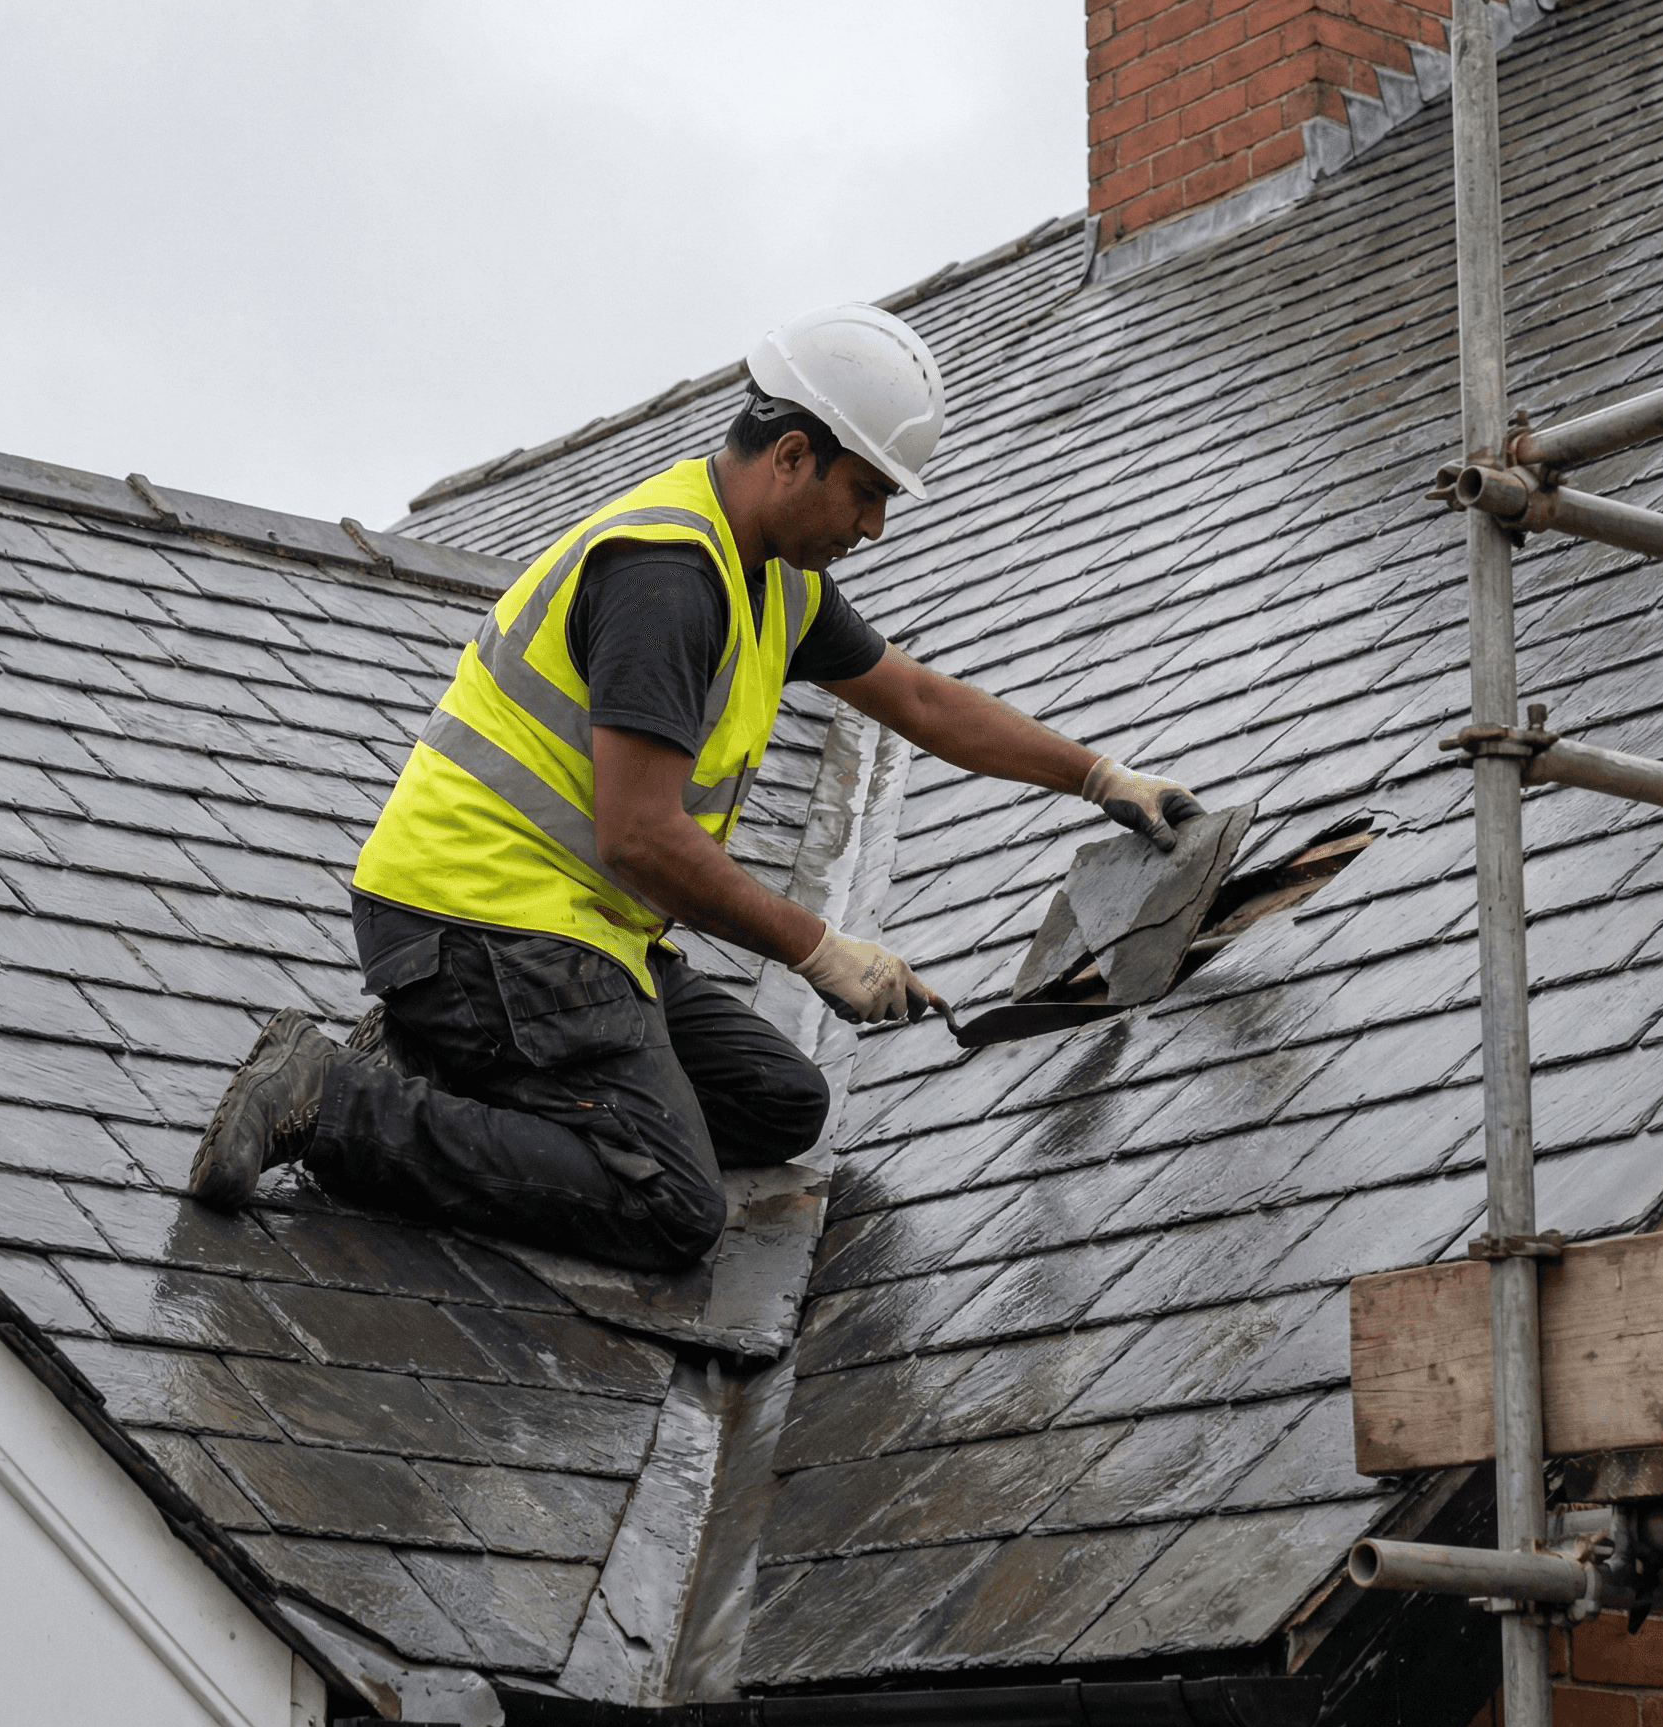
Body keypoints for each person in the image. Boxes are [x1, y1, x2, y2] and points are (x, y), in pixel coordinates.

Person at [189, 303, 1201, 1268]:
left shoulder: (774, 576)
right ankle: (327, 1095)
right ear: (792, 455)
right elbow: (640, 839)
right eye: (866, 491)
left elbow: (920, 703)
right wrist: (818, 950)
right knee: (667, 1205)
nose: (876, 526)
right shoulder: (667, 580)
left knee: (778, 1107)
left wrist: (1099, 776)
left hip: (569, 928)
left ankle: (440, 1061)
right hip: (477, 924)